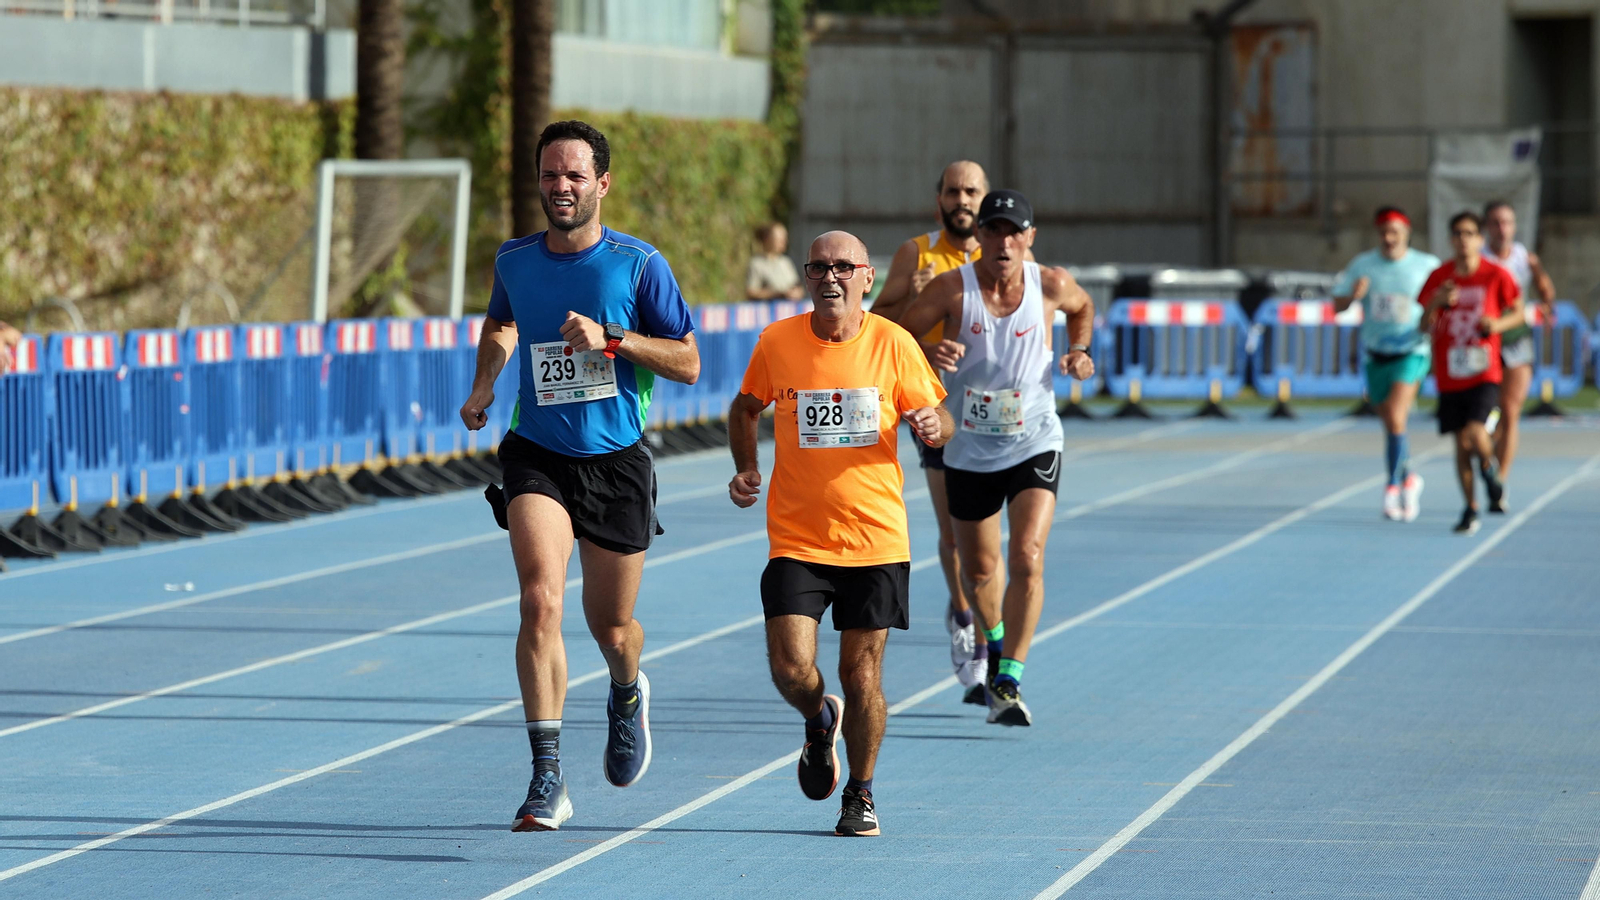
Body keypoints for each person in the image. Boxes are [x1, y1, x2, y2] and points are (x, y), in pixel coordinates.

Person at [460, 120, 701, 832]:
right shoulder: (515, 259)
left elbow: (689, 363)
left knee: (613, 626)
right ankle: (547, 777)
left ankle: (626, 692)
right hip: (536, 451)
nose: (559, 188)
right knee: (540, 601)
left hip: (615, 464)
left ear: (601, 183)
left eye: (573, 176)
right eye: (549, 175)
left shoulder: (637, 265)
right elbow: (503, 324)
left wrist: (614, 340)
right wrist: (484, 386)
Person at [728, 230, 953, 837]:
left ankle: (859, 792)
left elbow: (940, 414)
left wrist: (935, 423)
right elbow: (745, 407)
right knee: (790, 668)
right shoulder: (778, 342)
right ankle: (817, 717)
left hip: (876, 538)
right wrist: (746, 467)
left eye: (842, 267)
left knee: (863, 675)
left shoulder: (894, 344)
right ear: (806, 277)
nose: (830, 277)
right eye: (818, 267)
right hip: (798, 538)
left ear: (866, 278)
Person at [899, 190, 1095, 727]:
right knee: (982, 569)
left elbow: (1083, 308)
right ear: (979, 237)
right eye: (994, 231)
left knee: (1027, 555)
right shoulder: (950, 289)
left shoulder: (1048, 284)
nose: (1004, 242)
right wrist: (929, 351)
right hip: (968, 447)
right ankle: (994, 641)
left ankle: (1009, 674)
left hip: (1034, 439)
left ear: (1030, 237)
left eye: (1015, 232)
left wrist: (1081, 351)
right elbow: (894, 338)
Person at [868, 160, 990, 699]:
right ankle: (965, 617)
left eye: (971, 191)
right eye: (952, 191)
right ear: (938, 200)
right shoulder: (916, 253)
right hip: (938, 406)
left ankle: (994, 637)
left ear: (984, 199)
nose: (961, 199)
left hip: (998, 413)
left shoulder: (1005, 252)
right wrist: (913, 305)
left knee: (993, 543)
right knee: (953, 534)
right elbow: (876, 320)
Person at [1331, 207, 1439, 522]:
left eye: (1395, 232)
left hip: (1412, 351)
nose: (1389, 238)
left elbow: (1442, 298)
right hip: (1376, 354)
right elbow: (1336, 307)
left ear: (1407, 233)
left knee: (1395, 417)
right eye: (1384, 233)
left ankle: (1392, 487)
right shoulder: (1363, 266)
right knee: (1392, 424)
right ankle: (1409, 476)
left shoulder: (1425, 265)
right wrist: (1352, 295)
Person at [1417, 211, 1522, 536]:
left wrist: (1498, 324)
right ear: (1451, 239)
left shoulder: (1495, 275)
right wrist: (1436, 301)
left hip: (1484, 370)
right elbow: (1423, 324)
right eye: (1458, 233)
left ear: (1479, 239)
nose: (1463, 239)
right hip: (1450, 373)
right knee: (1460, 446)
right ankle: (1470, 507)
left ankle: (1490, 473)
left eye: (1470, 233)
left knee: (1477, 433)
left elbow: (1519, 312)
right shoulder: (1440, 276)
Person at [1480, 200, 1556, 505]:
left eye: (1507, 222)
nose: (1502, 229)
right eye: (1496, 222)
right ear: (1487, 227)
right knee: (1485, 418)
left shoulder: (1524, 257)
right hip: (1484, 341)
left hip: (1516, 338)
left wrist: (1547, 301)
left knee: (1510, 411)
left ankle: (1500, 484)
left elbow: (1544, 289)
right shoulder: (1478, 257)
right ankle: (1488, 457)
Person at [746, 223, 807, 301]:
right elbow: (751, 292)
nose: (784, 242)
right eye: (779, 239)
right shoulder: (756, 264)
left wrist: (797, 293)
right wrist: (777, 294)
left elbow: (797, 286)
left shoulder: (786, 262)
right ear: (767, 239)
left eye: (784, 238)